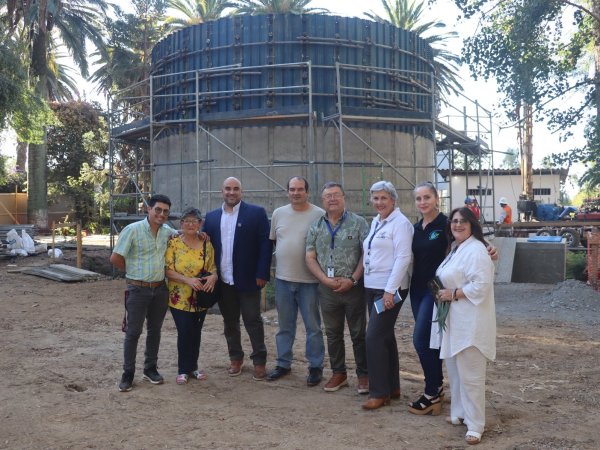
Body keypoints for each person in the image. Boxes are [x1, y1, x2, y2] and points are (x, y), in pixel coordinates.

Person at [409, 182, 497, 416]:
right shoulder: (415, 228)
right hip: (417, 289)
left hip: (437, 291)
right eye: (418, 198)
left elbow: (474, 242)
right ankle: (439, 390)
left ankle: (433, 391)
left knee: (421, 340)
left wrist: (490, 249)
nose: (423, 202)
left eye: (427, 197)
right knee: (432, 341)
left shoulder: (447, 223)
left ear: (436, 199)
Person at [434, 207, 496, 445]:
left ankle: (476, 424)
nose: (457, 225)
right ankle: (460, 413)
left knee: (471, 375)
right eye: (454, 221)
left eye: (462, 221)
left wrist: (453, 293)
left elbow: (481, 285)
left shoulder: (477, 250)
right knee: (456, 371)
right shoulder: (456, 248)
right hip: (455, 320)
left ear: (472, 224)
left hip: (471, 322)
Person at [203, 177, 273, 381]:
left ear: (241, 191)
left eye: (235, 189)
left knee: (253, 321)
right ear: (222, 191)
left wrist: (262, 273)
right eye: (227, 188)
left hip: (249, 279)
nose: (231, 192)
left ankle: (259, 361)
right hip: (224, 281)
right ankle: (235, 358)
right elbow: (204, 245)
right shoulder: (212, 217)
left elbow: (265, 245)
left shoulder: (256, 213)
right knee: (230, 322)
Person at [305, 182, 370, 394]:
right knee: (333, 334)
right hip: (327, 289)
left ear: (344, 197)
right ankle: (339, 373)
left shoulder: (359, 223)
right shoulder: (316, 226)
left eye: (336, 195)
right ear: (322, 200)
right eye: (327, 196)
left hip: (354, 288)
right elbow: (310, 257)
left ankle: (364, 375)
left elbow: (366, 254)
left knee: (358, 333)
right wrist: (325, 280)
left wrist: (353, 279)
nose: (332, 199)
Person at [110, 194, 175, 392]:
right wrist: (133, 273)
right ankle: (128, 373)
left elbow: (184, 235)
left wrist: (200, 234)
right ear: (149, 209)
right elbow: (115, 258)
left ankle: (150, 369)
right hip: (137, 290)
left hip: (160, 289)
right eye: (158, 210)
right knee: (133, 332)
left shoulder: (168, 232)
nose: (161, 214)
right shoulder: (133, 230)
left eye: (165, 211)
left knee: (155, 330)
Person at [266, 176, 326, 386]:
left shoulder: (319, 214)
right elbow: (275, 242)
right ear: (287, 192)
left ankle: (315, 366)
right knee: (285, 325)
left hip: (310, 281)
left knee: (313, 327)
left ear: (307, 192)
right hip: (283, 280)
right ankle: (283, 364)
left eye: (300, 189)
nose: (296, 193)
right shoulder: (278, 214)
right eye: (292, 189)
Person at [361, 181, 413, 410]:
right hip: (372, 285)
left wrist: (390, 291)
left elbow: (403, 258)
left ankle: (379, 392)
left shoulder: (400, 224)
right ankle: (392, 386)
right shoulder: (377, 221)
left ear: (393, 199)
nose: (379, 202)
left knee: (373, 337)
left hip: (389, 288)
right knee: (385, 336)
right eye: (375, 198)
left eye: (383, 198)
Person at [165, 207, 218, 385]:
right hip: (179, 297)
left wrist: (213, 276)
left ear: (200, 223)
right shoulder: (173, 243)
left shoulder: (206, 243)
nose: (190, 224)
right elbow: (167, 270)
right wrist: (187, 280)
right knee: (184, 331)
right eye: (186, 221)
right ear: (181, 223)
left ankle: (193, 367)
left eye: (194, 221)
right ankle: (183, 369)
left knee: (196, 331)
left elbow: (212, 267)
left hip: (200, 296)